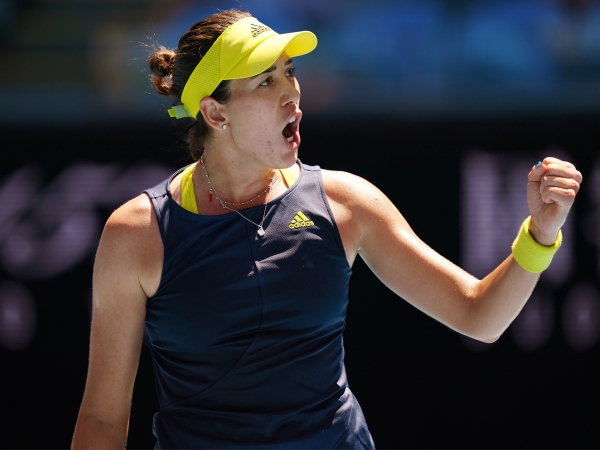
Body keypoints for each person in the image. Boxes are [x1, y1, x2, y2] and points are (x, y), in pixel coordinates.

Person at [71, 9, 582, 449]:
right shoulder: (136, 234)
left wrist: (540, 235)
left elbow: (479, 315)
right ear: (214, 113)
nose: (292, 93)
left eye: (289, 72)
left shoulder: (346, 204)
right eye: (265, 82)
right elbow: (102, 421)